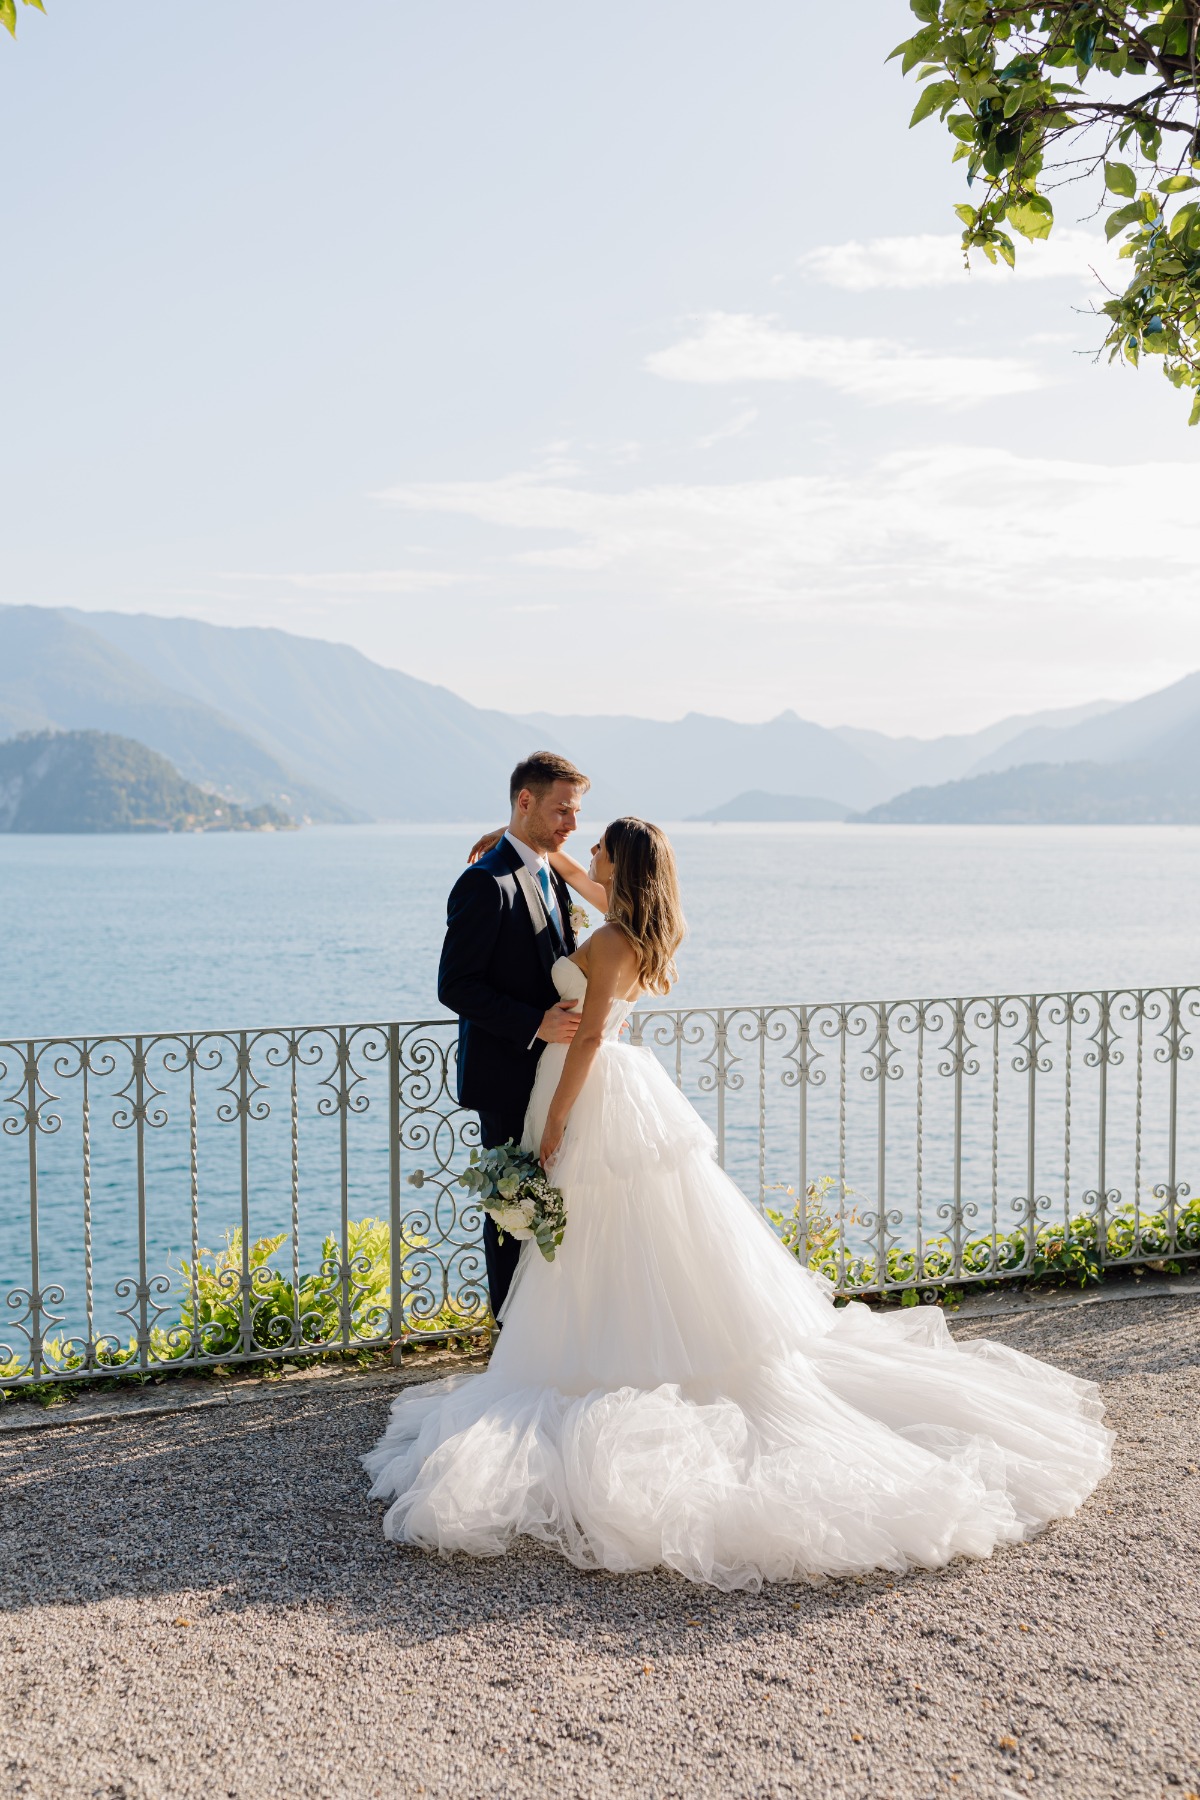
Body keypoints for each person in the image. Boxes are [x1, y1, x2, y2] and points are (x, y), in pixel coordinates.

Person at [367, 818, 1113, 1592]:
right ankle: (612, 1344)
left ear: (621, 865)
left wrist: (553, 1124)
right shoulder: (638, 925)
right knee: (620, 1234)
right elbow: (578, 885)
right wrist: (522, 839)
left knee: (600, 1229)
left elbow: (587, 1040)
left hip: (586, 1093)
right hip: (619, 1089)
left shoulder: (616, 938)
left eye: (599, 849)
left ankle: (598, 1359)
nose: (586, 853)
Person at [436, 751, 591, 1318]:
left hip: (555, 1077)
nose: (572, 826)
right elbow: (456, 985)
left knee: (556, 1208)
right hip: (506, 1076)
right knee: (512, 1212)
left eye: (575, 813)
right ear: (525, 802)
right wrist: (534, 1024)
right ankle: (509, 1339)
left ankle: (547, 1332)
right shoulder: (483, 882)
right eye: (562, 812)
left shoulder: (550, 870)